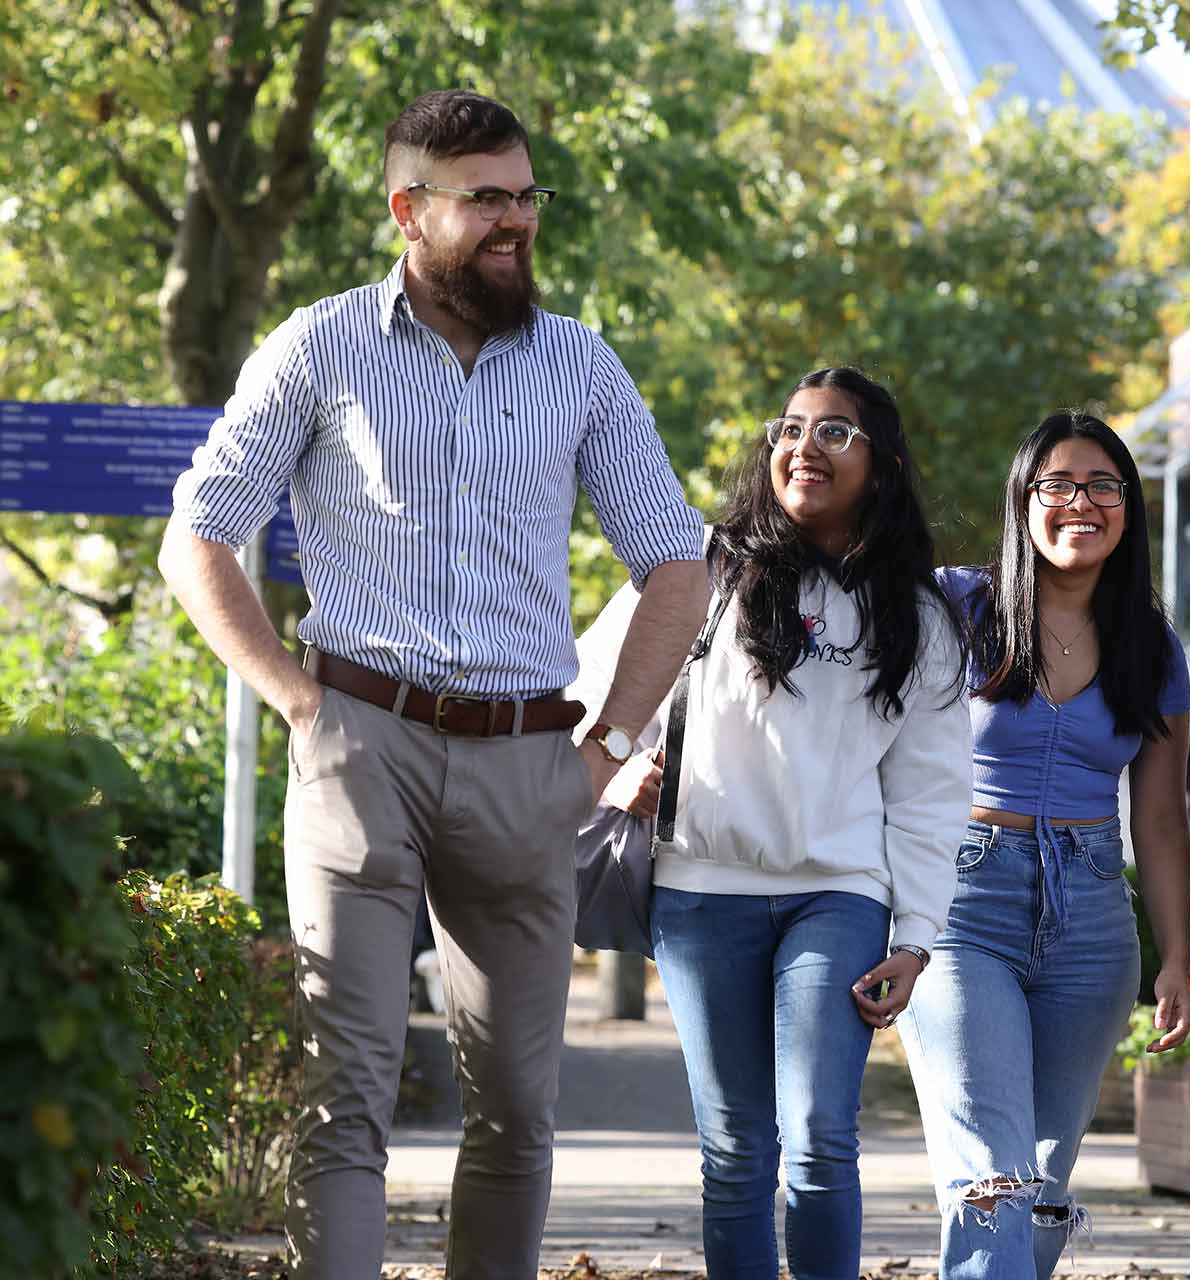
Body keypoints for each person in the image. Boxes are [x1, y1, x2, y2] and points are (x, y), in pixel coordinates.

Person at [159, 90, 709, 1279]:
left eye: (526, 196)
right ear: (410, 210)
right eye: (487, 200)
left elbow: (678, 562)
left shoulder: (581, 365)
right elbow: (198, 532)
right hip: (360, 741)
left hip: (531, 763)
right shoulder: (320, 344)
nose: (516, 220)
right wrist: (299, 704)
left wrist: (607, 745)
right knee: (344, 1094)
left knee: (515, 1105)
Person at [592, 366, 970, 1280]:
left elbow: (930, 792)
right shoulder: (701, 568)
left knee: (818, 1138)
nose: (803, 448)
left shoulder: (918, 616)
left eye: (834, 433)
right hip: (700, 893)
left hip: (836, 896)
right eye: (790, 429)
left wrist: (916, 938)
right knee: (733, 1152)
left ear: (880, 464)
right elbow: (597, 689)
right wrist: (619, 768)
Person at [897, 411, 1190, 1279]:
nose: (1082, 503)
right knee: (993, 1172)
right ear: (1023, 501)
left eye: (1105, 486)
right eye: (1057, 485)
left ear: (1129, 511)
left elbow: (1164, 820)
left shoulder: (1153, 647)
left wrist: (1175, 955)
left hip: (1094, 912)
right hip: (960, 904)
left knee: (1045, 1177)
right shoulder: (955, 606)